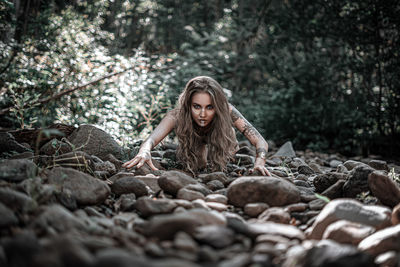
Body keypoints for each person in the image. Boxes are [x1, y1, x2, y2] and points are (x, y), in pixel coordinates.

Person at [122, 76, 271, 176]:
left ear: (217, 107)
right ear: (189, 105)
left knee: (224, 161)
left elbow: (260, 141)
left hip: (220, 133)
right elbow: (152, 139)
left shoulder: (227, 110)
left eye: (210, 107)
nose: (202, 114)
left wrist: (259, 162)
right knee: (199, 165)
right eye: (197, 106)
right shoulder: (177, 115)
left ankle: (230, 142)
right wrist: (144, 151)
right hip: (194, 137)